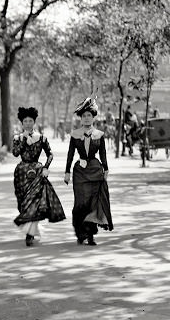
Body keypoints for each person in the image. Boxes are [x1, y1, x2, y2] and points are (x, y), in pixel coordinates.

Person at [12, 107, 65, 246]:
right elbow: (15, 153)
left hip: (36, 172)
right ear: (22, 123)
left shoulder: (42, 138)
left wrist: (46, 167)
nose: (28, 123)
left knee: (34, 202)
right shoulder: (17, 138)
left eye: (30, 121)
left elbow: (50, 154)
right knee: (22, 203)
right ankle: (31, 228)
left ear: (34, 122)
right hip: (21, 173)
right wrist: (24, 140)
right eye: (25, 121)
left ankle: (30, 234)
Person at [64, 96, 113, 246]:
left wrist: (106, 168)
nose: (86, 118)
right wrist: (67, 172)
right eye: (84, 116)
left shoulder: (100, 134)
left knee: (93, 203)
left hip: (95, 170)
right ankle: (80, 232)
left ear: (93, 118)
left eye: (89, 116)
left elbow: (103, 153)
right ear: (80, 118)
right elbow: (70, 154)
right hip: (80, 172)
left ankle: (91, 234)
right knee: (80, 203)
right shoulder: (75, 134)